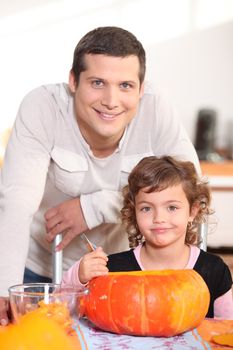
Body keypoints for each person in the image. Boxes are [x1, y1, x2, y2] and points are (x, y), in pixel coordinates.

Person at [0, 26, 200, 324]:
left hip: (124, 271)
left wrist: (92, 207)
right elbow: (16, 200)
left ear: (142, 88)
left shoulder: (156, 107)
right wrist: (5, 288)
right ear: (73, 80)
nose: (111, 100)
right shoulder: (42, 106)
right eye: (97, 82)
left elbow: (190, 187)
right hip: (38, 269)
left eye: (125, 86)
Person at [62, 156, 233, 319]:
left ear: (192, 211)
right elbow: (59, 312)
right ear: (134, 212)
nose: (159, 218)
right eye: (146, 208)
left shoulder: (214, 270)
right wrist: (78, 277)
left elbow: (227, 327)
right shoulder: (111, 271)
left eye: (172, 207)